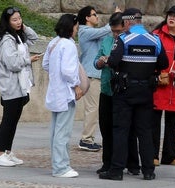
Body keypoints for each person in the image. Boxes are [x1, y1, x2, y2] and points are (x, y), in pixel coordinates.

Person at [99, 8, 168, 181]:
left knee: (121, 130)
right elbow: (164, 63)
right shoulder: (155, 39)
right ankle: (148, 171)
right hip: (146, 91)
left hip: (125, 91)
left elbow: (114, 62)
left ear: (127, 22)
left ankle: (116, 170)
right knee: (145, 131)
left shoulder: (124, 39)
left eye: (123, 23)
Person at [0, 6, 40, 167]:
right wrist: (29, 60)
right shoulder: (6, 40)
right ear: (7, 22)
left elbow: (34, 38)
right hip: (11, 86)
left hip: (20, 85)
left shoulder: (18, 36)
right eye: (14, 20)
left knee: (13, 121)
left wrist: (23, 26)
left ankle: (7, 151)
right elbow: (12, 63)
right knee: (8, 120)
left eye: (20, 18)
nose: (18, 22)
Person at [94, 12, 140, 175]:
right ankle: (108, 163)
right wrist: (100, 61)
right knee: (106, 128)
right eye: (113, 31)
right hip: (107, 89)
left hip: (124, 91)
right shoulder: (107, 40)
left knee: (127, 129)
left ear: (125, 27)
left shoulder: (130, 41)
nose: (115, 35)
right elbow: (97, 60)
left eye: (118, 31)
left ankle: (132, 163)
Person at [42, 14, 82, 178]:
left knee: (56, 131)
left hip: (54, 91)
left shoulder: (54, 42)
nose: (77, 30)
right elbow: (68, 70)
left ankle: (58, 164)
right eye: (76, 27)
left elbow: (45, 64)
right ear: (71, 27)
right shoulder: (69, 45)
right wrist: (76, 85)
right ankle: (61, 167)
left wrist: (55, 73)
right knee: (63, 132)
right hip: (66, 93)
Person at [77, 6, 117, 151]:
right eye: (94, 14)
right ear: (87, 18)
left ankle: (88, 138)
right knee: (92, 108)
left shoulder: (93, 33)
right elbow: (106, 30)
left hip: (98, 75)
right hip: (91, 75)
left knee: (96, 108)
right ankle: (86, 139)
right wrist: (114, 17)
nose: (97, 17)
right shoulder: (84, 31)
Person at [151, 5, 175, 167]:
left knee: (172, 124)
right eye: (169, 15)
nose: (171, 18)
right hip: (159, 84)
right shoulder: (156, 35)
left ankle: (169, 155)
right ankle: (152, 154)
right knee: (154, 122)